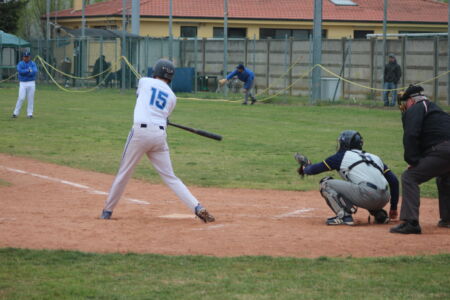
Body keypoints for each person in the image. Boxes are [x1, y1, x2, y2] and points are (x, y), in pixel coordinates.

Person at [100, 59, 215, 223]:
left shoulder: (144, 81)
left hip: (140, 132)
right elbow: (162, 113)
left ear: (156, 72)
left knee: (124, 172)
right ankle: (197, 207)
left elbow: (142, 98)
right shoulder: (173, 97)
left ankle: (107, 211)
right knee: (170, 177)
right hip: (159, 136)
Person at [296, 130, 399, 226]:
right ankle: (379, 214)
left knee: (325, 183)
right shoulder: (374, 157)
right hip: (385, 197)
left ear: (345, 144)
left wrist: (306, 166)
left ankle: (344, 216)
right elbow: (394, 181)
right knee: (361, 183)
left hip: (367, 196)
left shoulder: (342, 156)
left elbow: (313, 170)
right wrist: (393, 207)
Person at [390, 85, 450, 234]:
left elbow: (411, 135)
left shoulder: (416, 108)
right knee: (444, 177)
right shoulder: (434, 108)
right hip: (444, 150)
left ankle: (411, 222)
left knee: (410, 177)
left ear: (411, 100)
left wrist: (413, 160)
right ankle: (447, 219)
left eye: (405, 102)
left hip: (441, 150)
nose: (404, 106)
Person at [12, 51, 38, 119]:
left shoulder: (32, 63)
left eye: (27, 57)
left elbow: (35, 71)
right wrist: (28, 71)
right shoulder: (20, 63)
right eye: (25, 57)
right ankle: (15, 113)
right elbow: (20, 71)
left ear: (29, 57)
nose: (26, 58)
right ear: (23, 57)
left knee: (30, 99)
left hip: (31, 82)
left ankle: (30, 114)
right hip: (23, 83)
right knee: (21, 98)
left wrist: (26, 72)